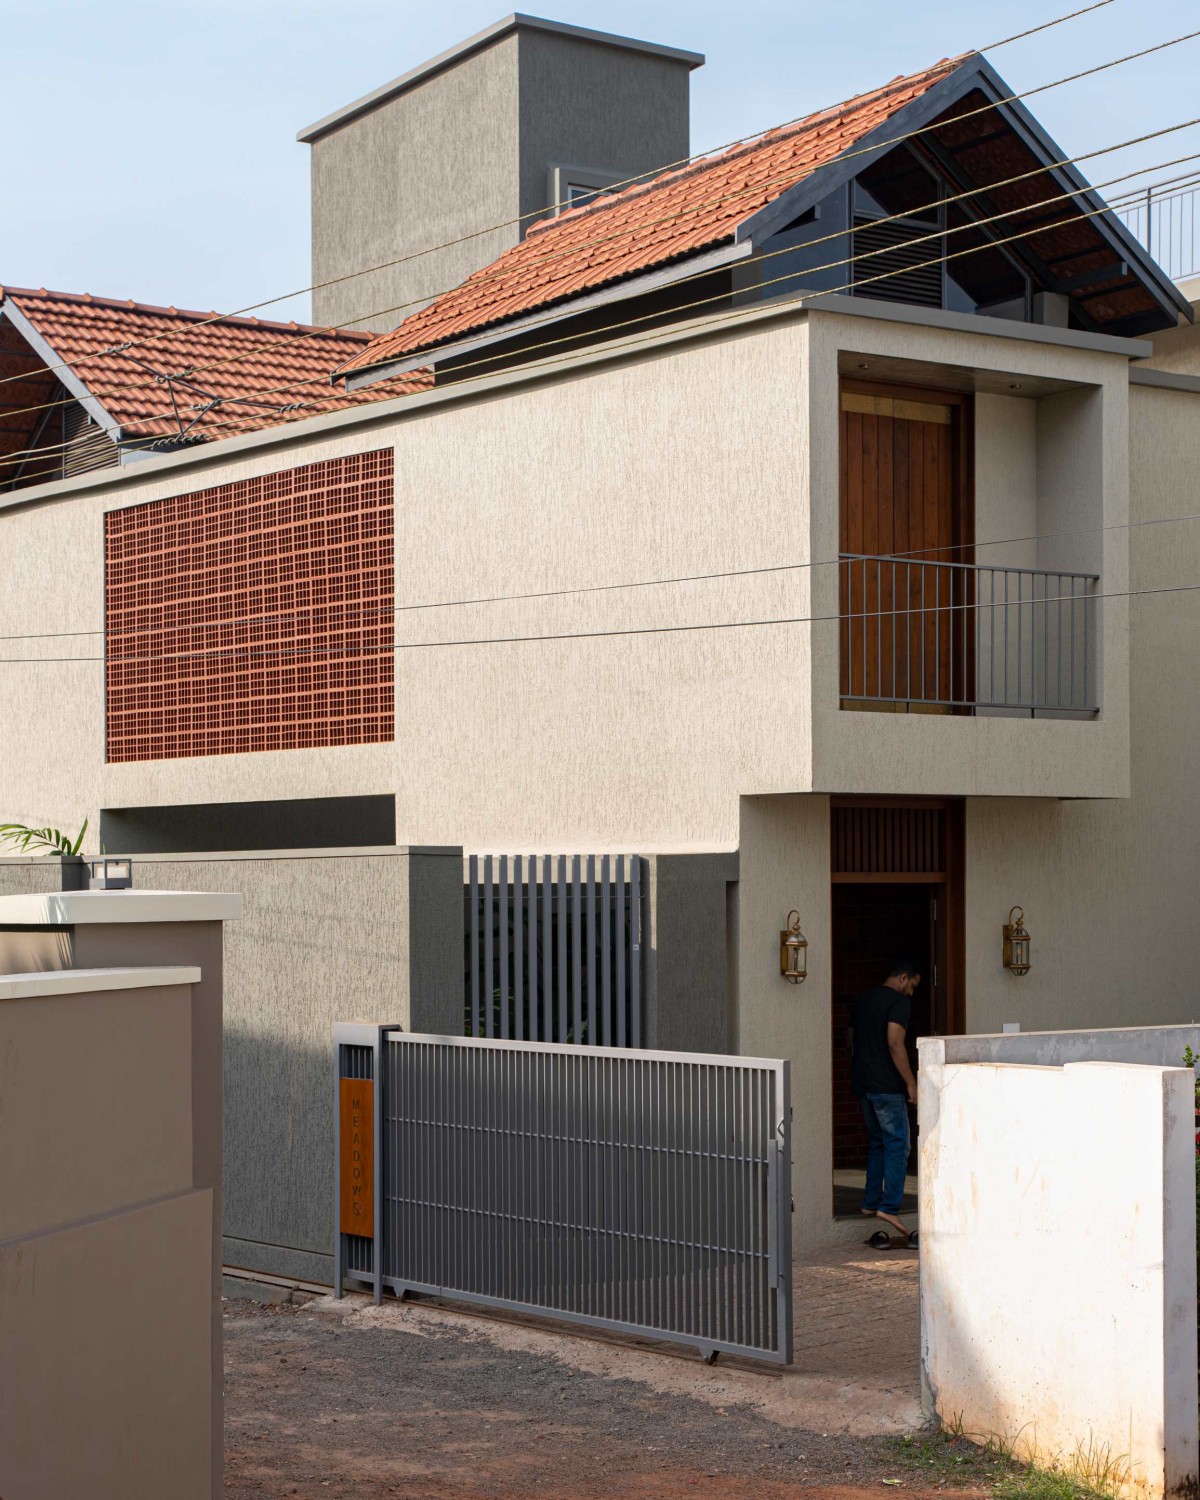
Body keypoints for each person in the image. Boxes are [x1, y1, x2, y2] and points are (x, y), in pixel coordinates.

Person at [851, 957, 920, 1244]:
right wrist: (910, 1082)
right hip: (887, 1088)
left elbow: (850, 1042)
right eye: (912, 986)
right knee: (898, 1145)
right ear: (903, 978)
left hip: (864, 1084)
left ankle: (870, 1201)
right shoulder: (898, 1003)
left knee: (878, 1142)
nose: (912, 993)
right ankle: (889, 1207)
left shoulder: (863, 1000)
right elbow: (895, 1042)